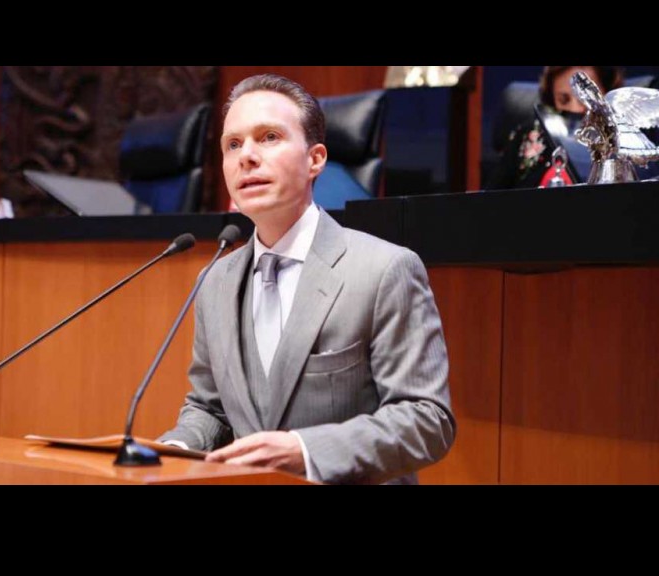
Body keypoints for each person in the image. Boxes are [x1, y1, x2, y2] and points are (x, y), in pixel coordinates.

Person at [160, 74, 455, 485]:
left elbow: (427, 420)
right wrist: (173, 449)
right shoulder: (216, 281)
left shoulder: (384, 269)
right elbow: (211, 409)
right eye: (233, 144)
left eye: (269, 137)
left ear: (315, 160)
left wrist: (306, 451)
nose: (247, 156)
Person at [487, 66, 625, 189]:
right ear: (552, 96)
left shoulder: (623, 138)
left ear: (607, 93)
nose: (575, 109)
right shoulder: (528, 134)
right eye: (563, 100)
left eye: (584, 99)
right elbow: (490, 199)